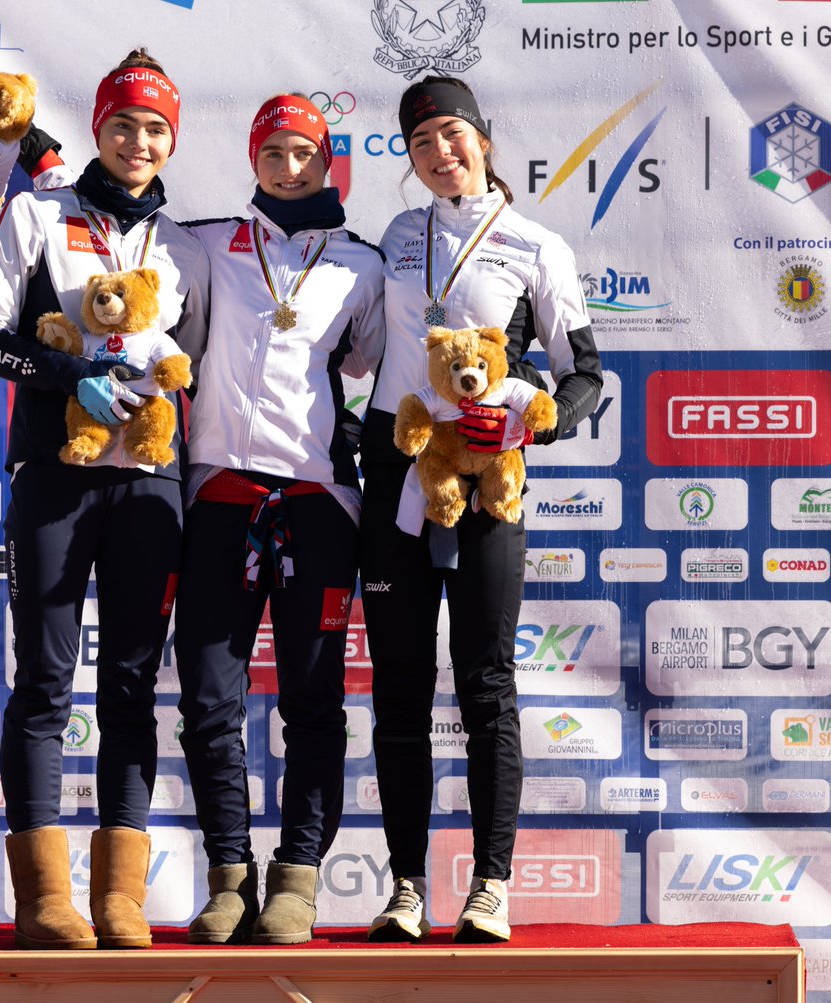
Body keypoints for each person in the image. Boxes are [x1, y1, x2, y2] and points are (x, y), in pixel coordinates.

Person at [0, 49, 207, 951]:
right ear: (100, 129)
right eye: (123, 125)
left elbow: (196, 362)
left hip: (150, 484)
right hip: (55, 472)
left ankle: (121, 902)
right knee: (44, 685)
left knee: (134, 686)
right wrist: (71, 375)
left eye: (155, 130)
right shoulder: (37, 213)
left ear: (170, 144)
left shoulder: (181, 246)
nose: (138, 142)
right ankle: (46, 903)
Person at [360, 76, 603, 944]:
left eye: (453, 135)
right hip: (396, 465)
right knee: (398, 687)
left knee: (487, 684)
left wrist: (530, 408)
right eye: (422, 143)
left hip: (486, 471)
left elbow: (587, 374)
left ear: (484, 139)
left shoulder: (536, 245)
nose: (440, 154)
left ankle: (491, 884)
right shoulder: (394, 236)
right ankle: (407, 885)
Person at [174, 94, 385, 945]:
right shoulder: (206, 242)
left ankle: (295, 881)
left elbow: (374, 360)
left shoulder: (363, 264)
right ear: (253, 159)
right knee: (209, 700)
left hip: (319, 498)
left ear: (328, 159)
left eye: (305, 153)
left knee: (314, 699)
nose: (290, 167)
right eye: (274, 153)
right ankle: (230, 876)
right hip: (220, 491)